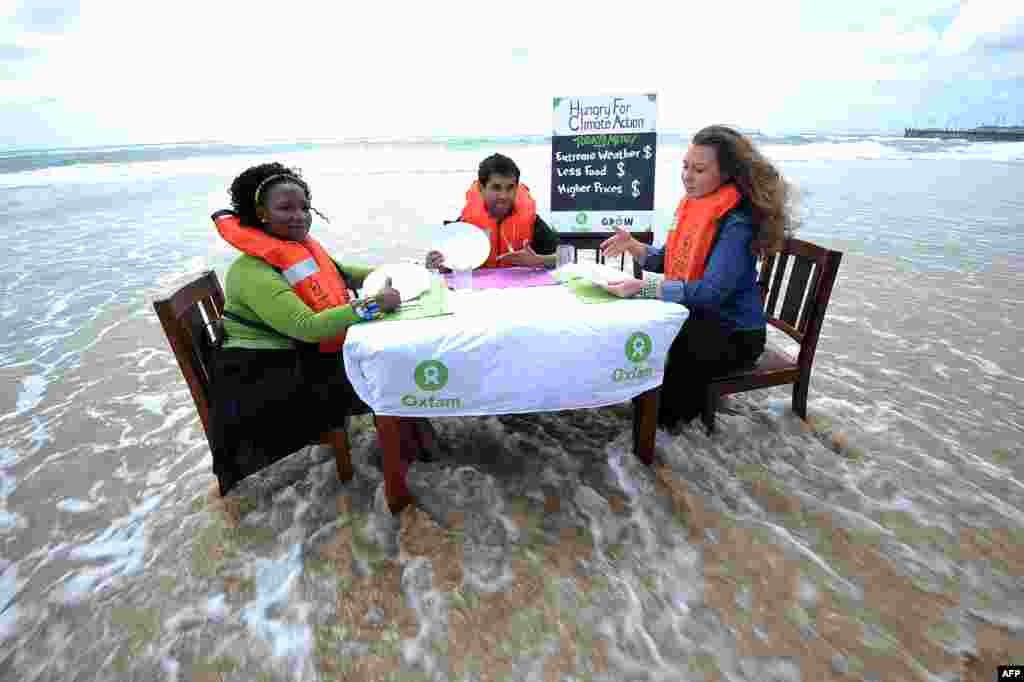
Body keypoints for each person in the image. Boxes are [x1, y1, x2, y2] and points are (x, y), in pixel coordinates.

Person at [209, 162, 436, 495]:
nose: (299, 215)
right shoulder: (250, 271)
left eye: (304, 207)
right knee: (383, 370)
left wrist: (414, 271)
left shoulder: (300, 249)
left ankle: (413, 450)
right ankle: (409, 474)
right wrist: (372, 305)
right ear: (260, 213)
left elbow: (349, 274)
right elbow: (308, 328)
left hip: (296, 359)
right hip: (262, 382)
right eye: (285, 208)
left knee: (385, 360)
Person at [600, 125, 790, 430]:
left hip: (734, 335)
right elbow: (668, 260)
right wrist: (634, 246)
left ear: (727, 173)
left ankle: (662, 431)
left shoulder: (737, 222)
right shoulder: (694, 206)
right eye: (685, 166)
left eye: (699, 169)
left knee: (667, 374)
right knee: (637, 326)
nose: (688, 176)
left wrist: (645, 287)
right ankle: (642, 406)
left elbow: (711, 294)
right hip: (698, 319)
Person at [425, 153, 560, 271]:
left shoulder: (532, 222)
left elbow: (566, 258)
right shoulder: (465, 225)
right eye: (496, 188)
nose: (504, 196)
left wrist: (538, 260)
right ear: (481, 188)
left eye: (510, 188)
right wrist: (438, 264)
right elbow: (447, 266)